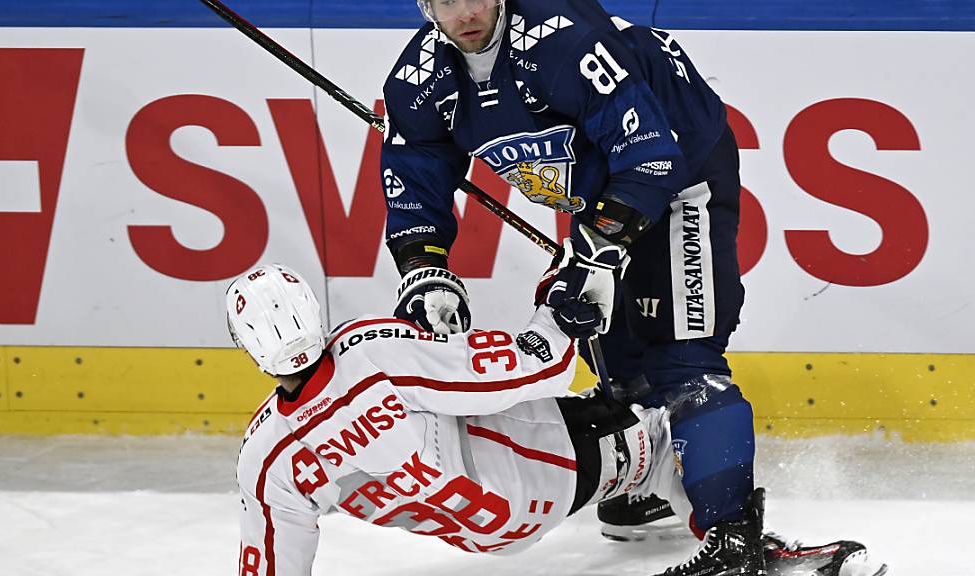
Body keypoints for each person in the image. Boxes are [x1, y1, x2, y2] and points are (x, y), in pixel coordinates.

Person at [379, 1, 887, 575]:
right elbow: (416, 167)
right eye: (445, 0)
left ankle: (732, 535)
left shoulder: (562, 44)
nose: (464, 11)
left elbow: (650, 154)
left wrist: (597, 252)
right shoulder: (420, 79)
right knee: (619, 361)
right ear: (424, 5)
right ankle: (650, 489)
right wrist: (425, 267)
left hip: (681, 177)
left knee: (682, 356)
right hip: (602, 197)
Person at [229, 264, 886, 576]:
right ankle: (742, 552)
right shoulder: (369, 353)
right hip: (540, 473)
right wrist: (560, 311)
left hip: (487, 533)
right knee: (672, 418)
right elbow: (526, 369)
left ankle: (635, 502)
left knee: (569, 427)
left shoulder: (265, 456)